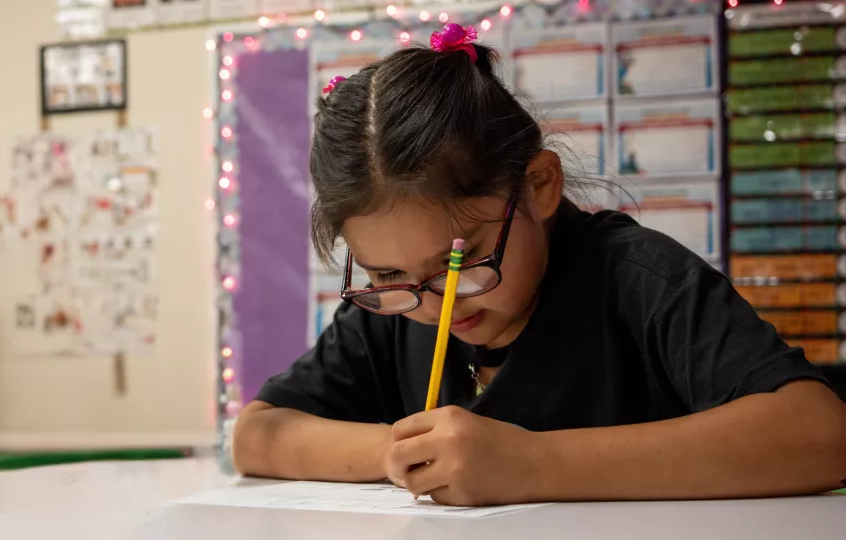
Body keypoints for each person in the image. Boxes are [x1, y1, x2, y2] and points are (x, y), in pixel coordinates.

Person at [233, 25, 846, 506]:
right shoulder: (402, 306)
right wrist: (409, 452)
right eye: (384, 276)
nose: (436, 301)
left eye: (464, 257)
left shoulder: (635, 278)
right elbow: (257, 436)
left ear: (540, 185)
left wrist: (528, 464)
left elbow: (820, 434)